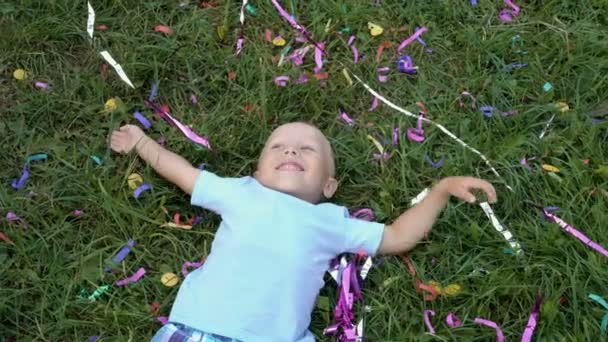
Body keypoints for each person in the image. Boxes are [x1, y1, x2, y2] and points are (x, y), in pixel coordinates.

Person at [109, 121, 497, 342]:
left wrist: (442, 190)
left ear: (328, 186)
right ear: (257, 172)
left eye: (307, 150)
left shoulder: (331, 221)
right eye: (278, 146)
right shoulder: (241, 192)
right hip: (199, 330)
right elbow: (184, 174)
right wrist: (141, 142)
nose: (291, 152)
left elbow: (397, 237)